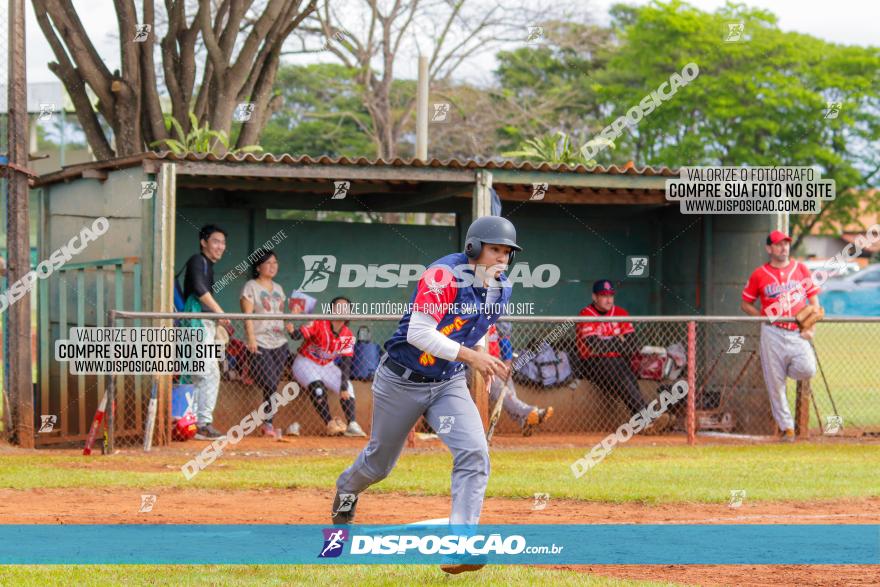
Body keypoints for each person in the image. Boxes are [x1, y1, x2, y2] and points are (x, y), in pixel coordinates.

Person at [331, 216, 519, 576]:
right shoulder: (443, 276)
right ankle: (346, 490)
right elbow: (419, 333)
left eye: (507, 253)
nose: (501, 260)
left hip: (446, 385)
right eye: (495, 250)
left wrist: (479, 359)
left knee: (474, 452)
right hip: (400, 382)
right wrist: (471, 357)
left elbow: (475, 326)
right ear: (474, 248)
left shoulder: (500, 288)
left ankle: (460, 546)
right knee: (378, 464)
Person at [741, 230, 820, 442]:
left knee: (807, 368)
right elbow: (745, 303)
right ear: (769, 249)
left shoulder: (801, 269)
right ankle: (787, 429)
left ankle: (788, 371)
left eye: (786, 244)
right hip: (772, 332)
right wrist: (761, 318)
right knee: (775, 384)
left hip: (797, 331)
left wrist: (810, 328)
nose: (783, 247)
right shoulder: (760, 274)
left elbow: (814, 303)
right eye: (778, 244)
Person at [575, 280, 670, 432]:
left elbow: (633, 345)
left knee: (626, 374)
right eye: (603, 295)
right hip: (591, 364)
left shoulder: (620, 313)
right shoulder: (586, 314)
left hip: (616, 363)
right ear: (594, 297)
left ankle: (644, 419)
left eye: (611, 295)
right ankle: (646, 417)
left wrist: (609, 343)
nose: (608, 299)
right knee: (618, 368)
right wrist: (617, 341)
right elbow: (595, 346)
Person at [290, 296, 367, 438]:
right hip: (306, 362)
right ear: (332, 310)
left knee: (348, 387)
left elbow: (346, 363)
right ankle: (330, 423)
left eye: (346, 308)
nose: (342, 310)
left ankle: (352, 424)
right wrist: (292, 329)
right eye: (339, 307)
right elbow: (297, 335)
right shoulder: (319, 322)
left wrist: (343, 387)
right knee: (318, 388)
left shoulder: (347, 335)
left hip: (327, 366)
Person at [182, 224, 230, 440]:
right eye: (216, 241)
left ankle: (193, 423)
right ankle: (201, 424)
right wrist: (220, 312)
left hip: (203, 323)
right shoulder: (197, 260)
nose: (221, 246)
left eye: (223, 242)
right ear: (204, 242)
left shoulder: (207, 264)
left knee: (202, 373)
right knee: (206, 372)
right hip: (196, 322)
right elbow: (200, 291)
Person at [240, 250, 294, 439]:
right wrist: (251, 338)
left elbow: (280, 315)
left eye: (275, 263)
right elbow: (247, 316)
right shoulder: (251, 286)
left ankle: (268, 423)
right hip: (260, 341)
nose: (273, 266)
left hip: (280, 342)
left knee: (272, 385)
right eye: (268, 263)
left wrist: (289, 322)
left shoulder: (279, 288)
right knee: (270, 382)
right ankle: (267, 422)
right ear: (258, 267)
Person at [487, 322, 553, 436]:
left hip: (495, 363)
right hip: (473, 369)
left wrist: (506, 365)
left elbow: (504, 341)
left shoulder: (492, 319)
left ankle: (524, 422)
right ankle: (530, 412)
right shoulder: (470, 319)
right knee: (499, 386)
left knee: (508, 385)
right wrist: (495, 369)